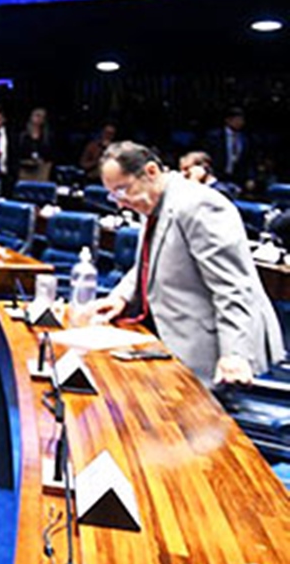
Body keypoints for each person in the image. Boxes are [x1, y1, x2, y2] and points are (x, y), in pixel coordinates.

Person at [84, 141, 283, 385]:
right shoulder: (152, 201)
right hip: (170, 338)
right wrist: (121, 297)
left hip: (210, 351)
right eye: (113, 194)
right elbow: (150, 261)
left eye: (123, 190)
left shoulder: (198, 205)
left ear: (151, 172)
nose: (119, 202)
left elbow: (233, 286)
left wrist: (234, 354)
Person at [207, 106, 254, 190]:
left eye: (241, 120)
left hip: (236, 178)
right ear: (228, 120)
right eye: (237, 119)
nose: (240, 122)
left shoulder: (245, 139)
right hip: (217, 175)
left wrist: (250, 177)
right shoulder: (215, 136)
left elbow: (248, 160)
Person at [17, 106, 53, 182]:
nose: (39, 119)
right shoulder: (23, 135)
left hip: (42, 168)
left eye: (42, 117)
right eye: (37, 116)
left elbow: (50, 152)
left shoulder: (47, 135)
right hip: (25, 168)